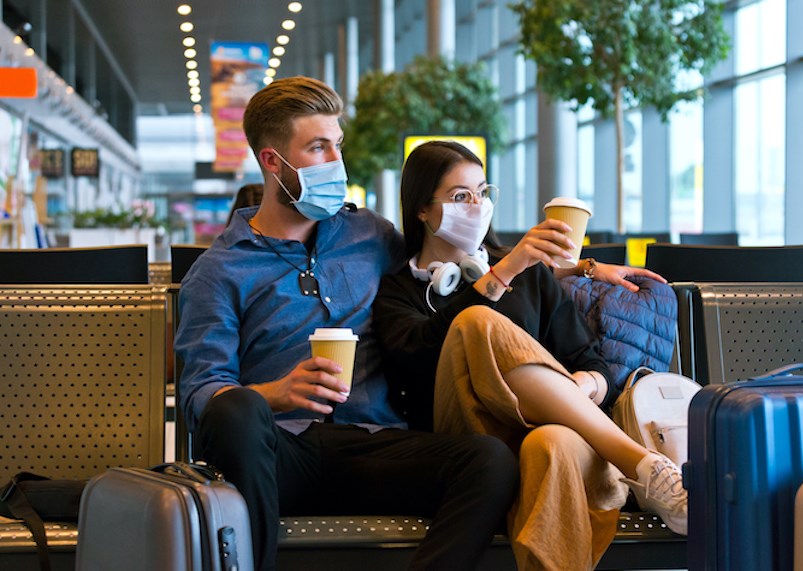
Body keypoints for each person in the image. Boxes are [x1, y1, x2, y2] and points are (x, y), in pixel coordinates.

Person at [175, 77, 520, 571]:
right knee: (236, 411)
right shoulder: (220, 270)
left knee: (489, 461)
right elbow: (199, 395)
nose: (336, 162)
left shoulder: (370, 235)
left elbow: (453, 260)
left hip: (374, 444)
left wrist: (585, 268)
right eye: (317, 148)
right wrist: (275, 393)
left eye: (337, 145)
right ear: (273, 161)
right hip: (278, 453)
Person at [372, 141, 687, 571]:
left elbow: (593, 365)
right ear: (422, 210)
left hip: (557, 433)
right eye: (460, 196)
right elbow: (415, 356)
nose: (477, 205)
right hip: (465, 438)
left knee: (550, 442)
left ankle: (645, 469)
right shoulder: (399, 290)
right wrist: (504, 272)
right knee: (476, 323)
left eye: (482, 192)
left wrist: (573, 390)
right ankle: (637, 460)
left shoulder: (531, 275)